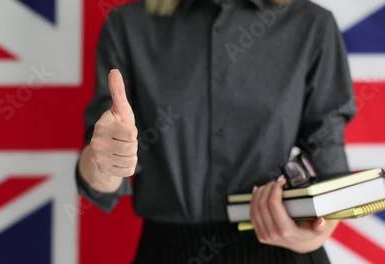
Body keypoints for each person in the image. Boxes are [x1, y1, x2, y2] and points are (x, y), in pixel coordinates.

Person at [76, 0, 356, 263]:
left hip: (283, 249)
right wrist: (108, 159)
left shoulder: (312, 24)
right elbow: (100, 165)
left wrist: (315, 234)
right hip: (169, 251)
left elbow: (330, 166)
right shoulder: (128, 25)